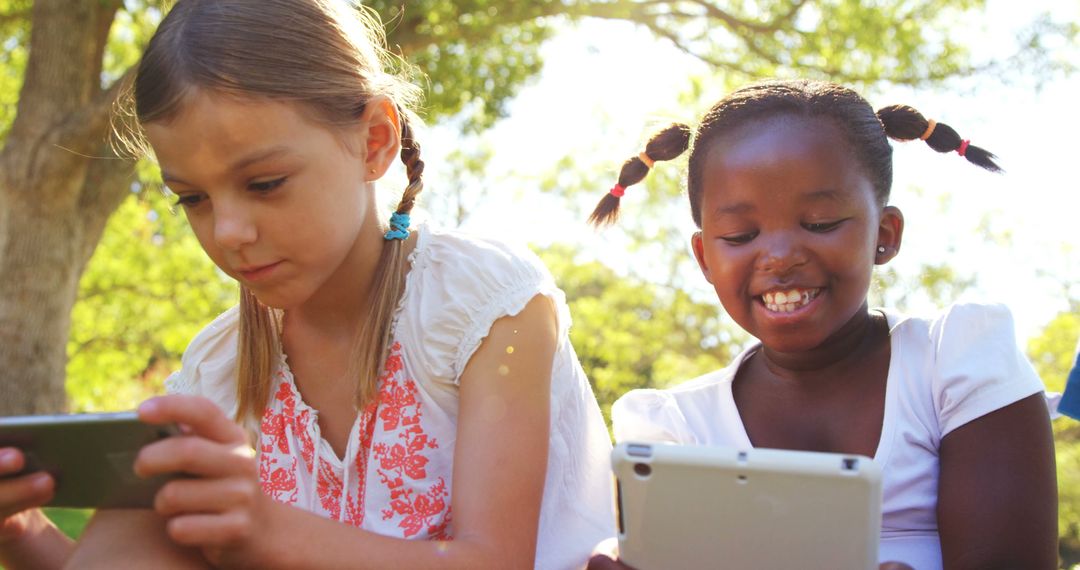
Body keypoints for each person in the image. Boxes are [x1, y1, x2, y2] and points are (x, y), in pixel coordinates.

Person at [0, 1, 614, 568]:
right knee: (136, 524)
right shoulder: (218, 370)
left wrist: (264, 528)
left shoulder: (483, 306)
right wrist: (24, 534)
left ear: (374, 141)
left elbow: (493, 563)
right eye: (192, 198)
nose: (230, 230)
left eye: (264, 183)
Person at [586, 79, 1058, 569]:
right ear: (705, 257)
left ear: (886, 234)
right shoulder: (676, 431)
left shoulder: (956, 365)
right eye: (741, 234)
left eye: (820, 224)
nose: (780, 256)